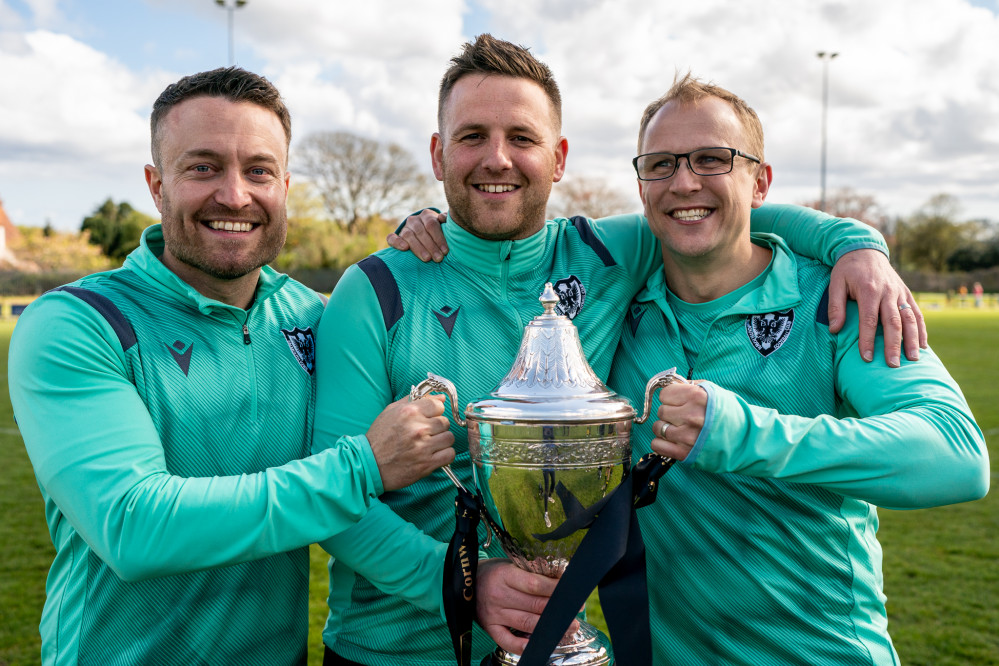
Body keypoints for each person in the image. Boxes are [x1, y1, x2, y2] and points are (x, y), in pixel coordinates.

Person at [314, 34, 926, 666]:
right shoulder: (375, 287)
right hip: (391, 648)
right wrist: (467, 586)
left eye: (522, 138)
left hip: (559, 644)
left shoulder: (609, 253)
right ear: (439, 155)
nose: (497, 158)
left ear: (558, 158)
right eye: (472, 137)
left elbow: (724, 210)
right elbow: (335, 496)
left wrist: (857, 243)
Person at [7, 67, 457, 666]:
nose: (235, 195)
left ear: (286, 186)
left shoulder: (310, 316)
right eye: (203, 167)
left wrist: (436, 239)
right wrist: (361, 468)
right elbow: (133, 527)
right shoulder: (76, 324)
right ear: (156, 184)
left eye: (259, 170)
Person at [609, 74, 990, 664]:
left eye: (713, 159)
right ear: (640, 182)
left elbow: (956, 456)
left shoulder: (837, 297)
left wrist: (741, 434)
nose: (683, 181)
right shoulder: (613, 300)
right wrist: (422, 226)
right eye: (660, 164)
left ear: (760, 180)